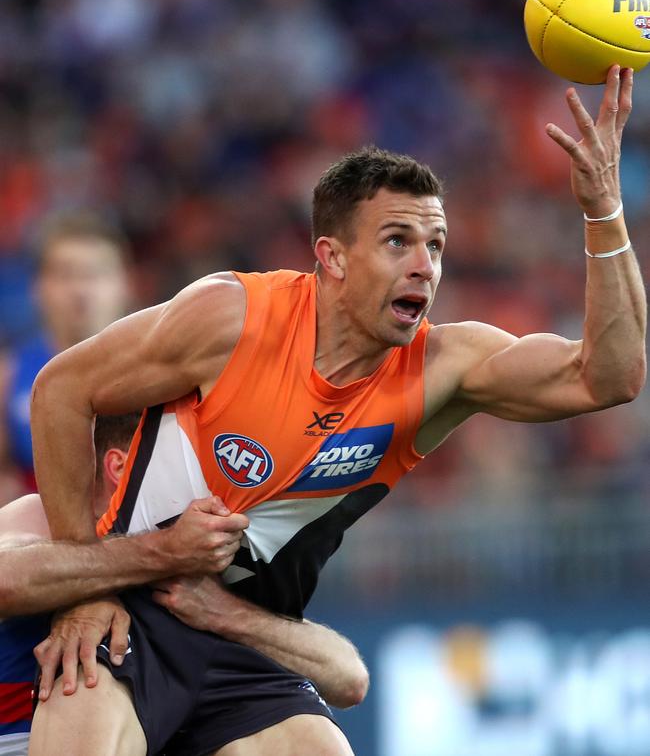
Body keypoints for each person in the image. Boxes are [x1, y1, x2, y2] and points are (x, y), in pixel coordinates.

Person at [30, 67, 646, 755]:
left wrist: (603, 211)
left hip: (245, 636)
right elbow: (61, 390)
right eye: (398, 241)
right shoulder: (232, 319)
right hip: (133, 612)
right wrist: (84, 590)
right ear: (333, 257)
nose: (425, 266)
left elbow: (608, 379)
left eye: (436, 245)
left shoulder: (443, 369)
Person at [0, 415, 367, 756]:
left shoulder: (203, 570)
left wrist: (228, 615)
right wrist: (114, 580)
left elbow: (349, 677)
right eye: (187, 466)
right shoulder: (40, 518)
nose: (210, 485)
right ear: (122, 467)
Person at [0, 213, 132, 503]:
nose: (80, 290)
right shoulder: (8, 376)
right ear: (38, 287)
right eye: (66, 274)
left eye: (95, 274)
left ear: (125, 283)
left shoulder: (158, 373)